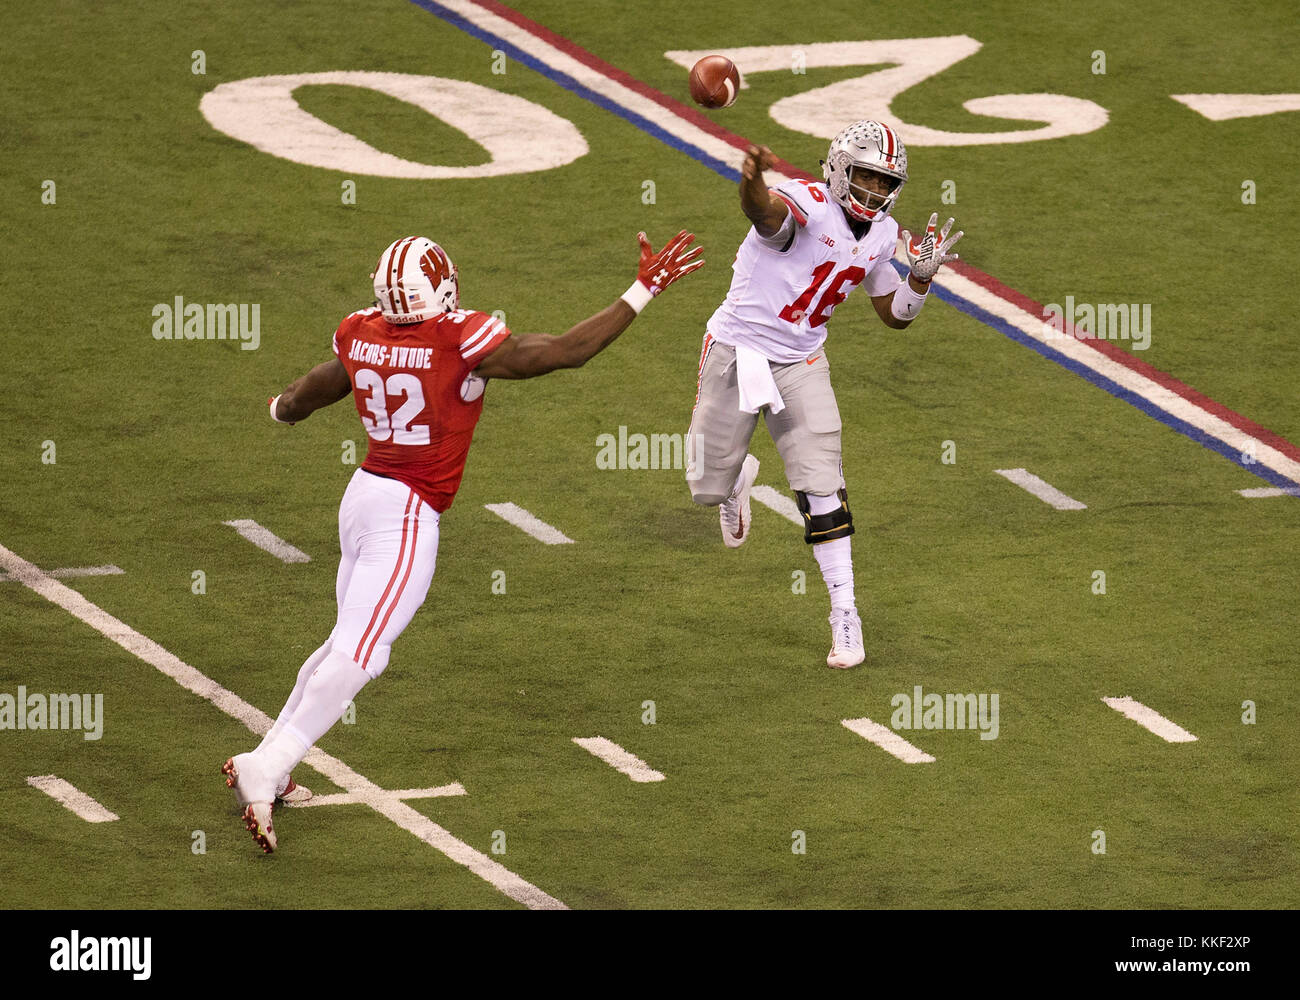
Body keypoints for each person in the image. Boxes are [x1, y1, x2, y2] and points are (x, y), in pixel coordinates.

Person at [223, 230, 703, 852]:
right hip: (406, 513)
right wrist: (643, 289)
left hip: (363, 495)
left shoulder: (361, 329)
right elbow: (562, 352)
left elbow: (320, 384)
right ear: (442, 288)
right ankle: (267, 763)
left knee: (347, 640)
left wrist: (282, 409)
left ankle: (273, 763)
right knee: (365, 652)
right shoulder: (457, 338)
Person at [685, 120, 962, 668]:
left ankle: (845, 614)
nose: (874, 192)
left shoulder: (884, 233)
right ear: (838, 169)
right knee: (705, 487)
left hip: (802, 360)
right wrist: (752, 181)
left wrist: (921, 280)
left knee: (822, 485)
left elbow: (895, 315)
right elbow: (765, 216)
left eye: (886, 183)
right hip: (738, 349)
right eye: (865, 177)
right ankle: (736, 477)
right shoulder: (806, 201)